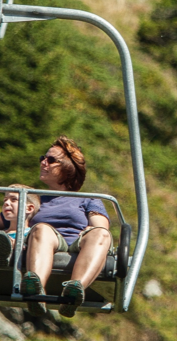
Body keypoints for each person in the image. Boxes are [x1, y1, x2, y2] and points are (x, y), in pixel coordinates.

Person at [21, 136, 112, 318]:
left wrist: (94, 230)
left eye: (51, 160)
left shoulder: (87, 199)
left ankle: (74, 290)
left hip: (77, 241)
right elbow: (9, 218)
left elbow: (100, 225)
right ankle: (36, 291)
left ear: (68, 168)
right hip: (47, 239)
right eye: (43, 158)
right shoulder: (33, 199)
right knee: (41, 229)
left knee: (101, 235)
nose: (43, 163)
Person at [0, 185, 40, 267]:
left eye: (14, 199)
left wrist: (17, 244)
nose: (6, 203)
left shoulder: (32, 234)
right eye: (5, 200)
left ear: (29, 208)